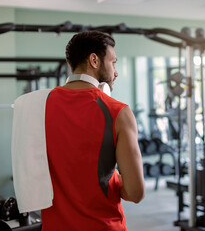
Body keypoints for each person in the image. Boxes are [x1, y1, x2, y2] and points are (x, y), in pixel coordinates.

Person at [41, 30, 145, 230]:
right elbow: (135, 192)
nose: (116, 72)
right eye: (113, 62)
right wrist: (109, 179)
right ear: (94, 60)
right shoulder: (118, 112)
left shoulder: (38, 106)